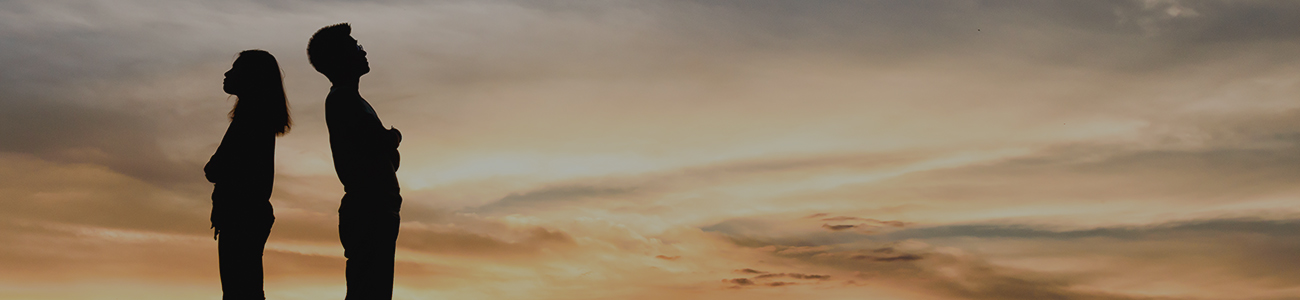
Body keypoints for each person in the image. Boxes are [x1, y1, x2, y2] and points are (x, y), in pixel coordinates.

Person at [307, 23, 403, 300]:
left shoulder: (353, 100)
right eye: (355, 48)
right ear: (340, 58)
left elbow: (385, 155)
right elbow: (378, 143)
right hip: (368, 208)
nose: (363, 52)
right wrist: (392, 137)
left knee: (373, 286)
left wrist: (387, 143)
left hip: (377, 207)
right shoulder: (343, 99)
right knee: (369, 288)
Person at [204, 49, 292, 300]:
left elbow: (215, 168)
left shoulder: (249, 119)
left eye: (235, 68)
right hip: (249, 216)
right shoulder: (256, 117)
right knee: (246, 289)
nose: (227, 73)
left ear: (251, 77)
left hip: (240, 217)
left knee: (240, 291)